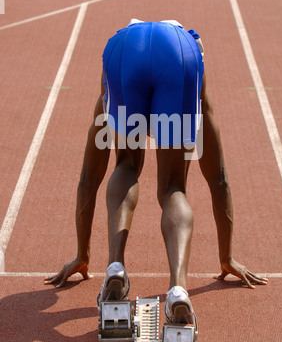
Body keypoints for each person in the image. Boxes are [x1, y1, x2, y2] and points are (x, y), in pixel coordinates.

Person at [45, 19, 268, 325]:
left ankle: (115, 267)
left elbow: (88, 179)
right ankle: (178, 289)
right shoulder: (196, 65)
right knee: (173, 188)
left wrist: (82, 254)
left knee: (125, 165)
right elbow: (219, 179)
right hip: (179, 55)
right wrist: (226, 257)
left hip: (126, 50)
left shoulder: (109, 77)